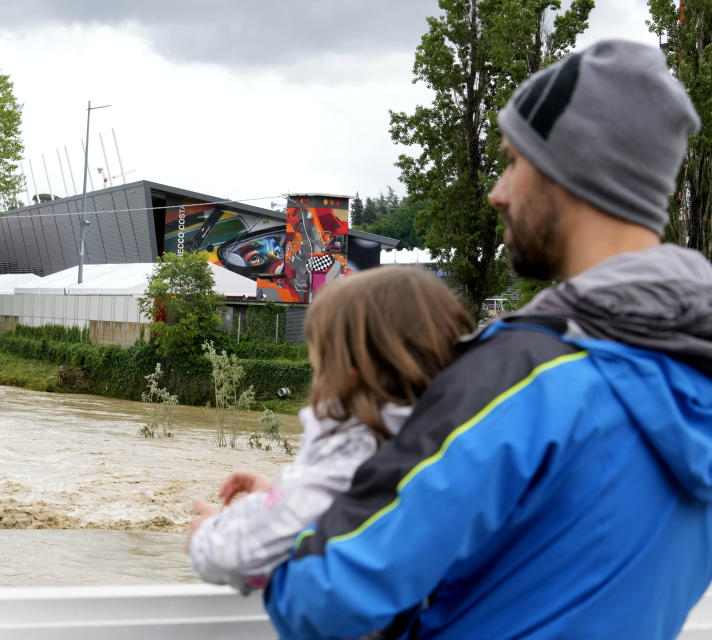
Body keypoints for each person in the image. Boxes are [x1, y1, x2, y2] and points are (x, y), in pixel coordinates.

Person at [264, 39, 712, 640]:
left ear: (570, 172)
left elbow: (328, 595)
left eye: (513, 162)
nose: (498, 192)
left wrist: (266, 531)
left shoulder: (522, 381)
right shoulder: (694, 374)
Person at [186, 266, 474, 595]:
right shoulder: (453, 439)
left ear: (348, 373)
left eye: (319, 365)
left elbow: (233, 558)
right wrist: (275, 496)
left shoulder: (353, 452)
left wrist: (208, 533)